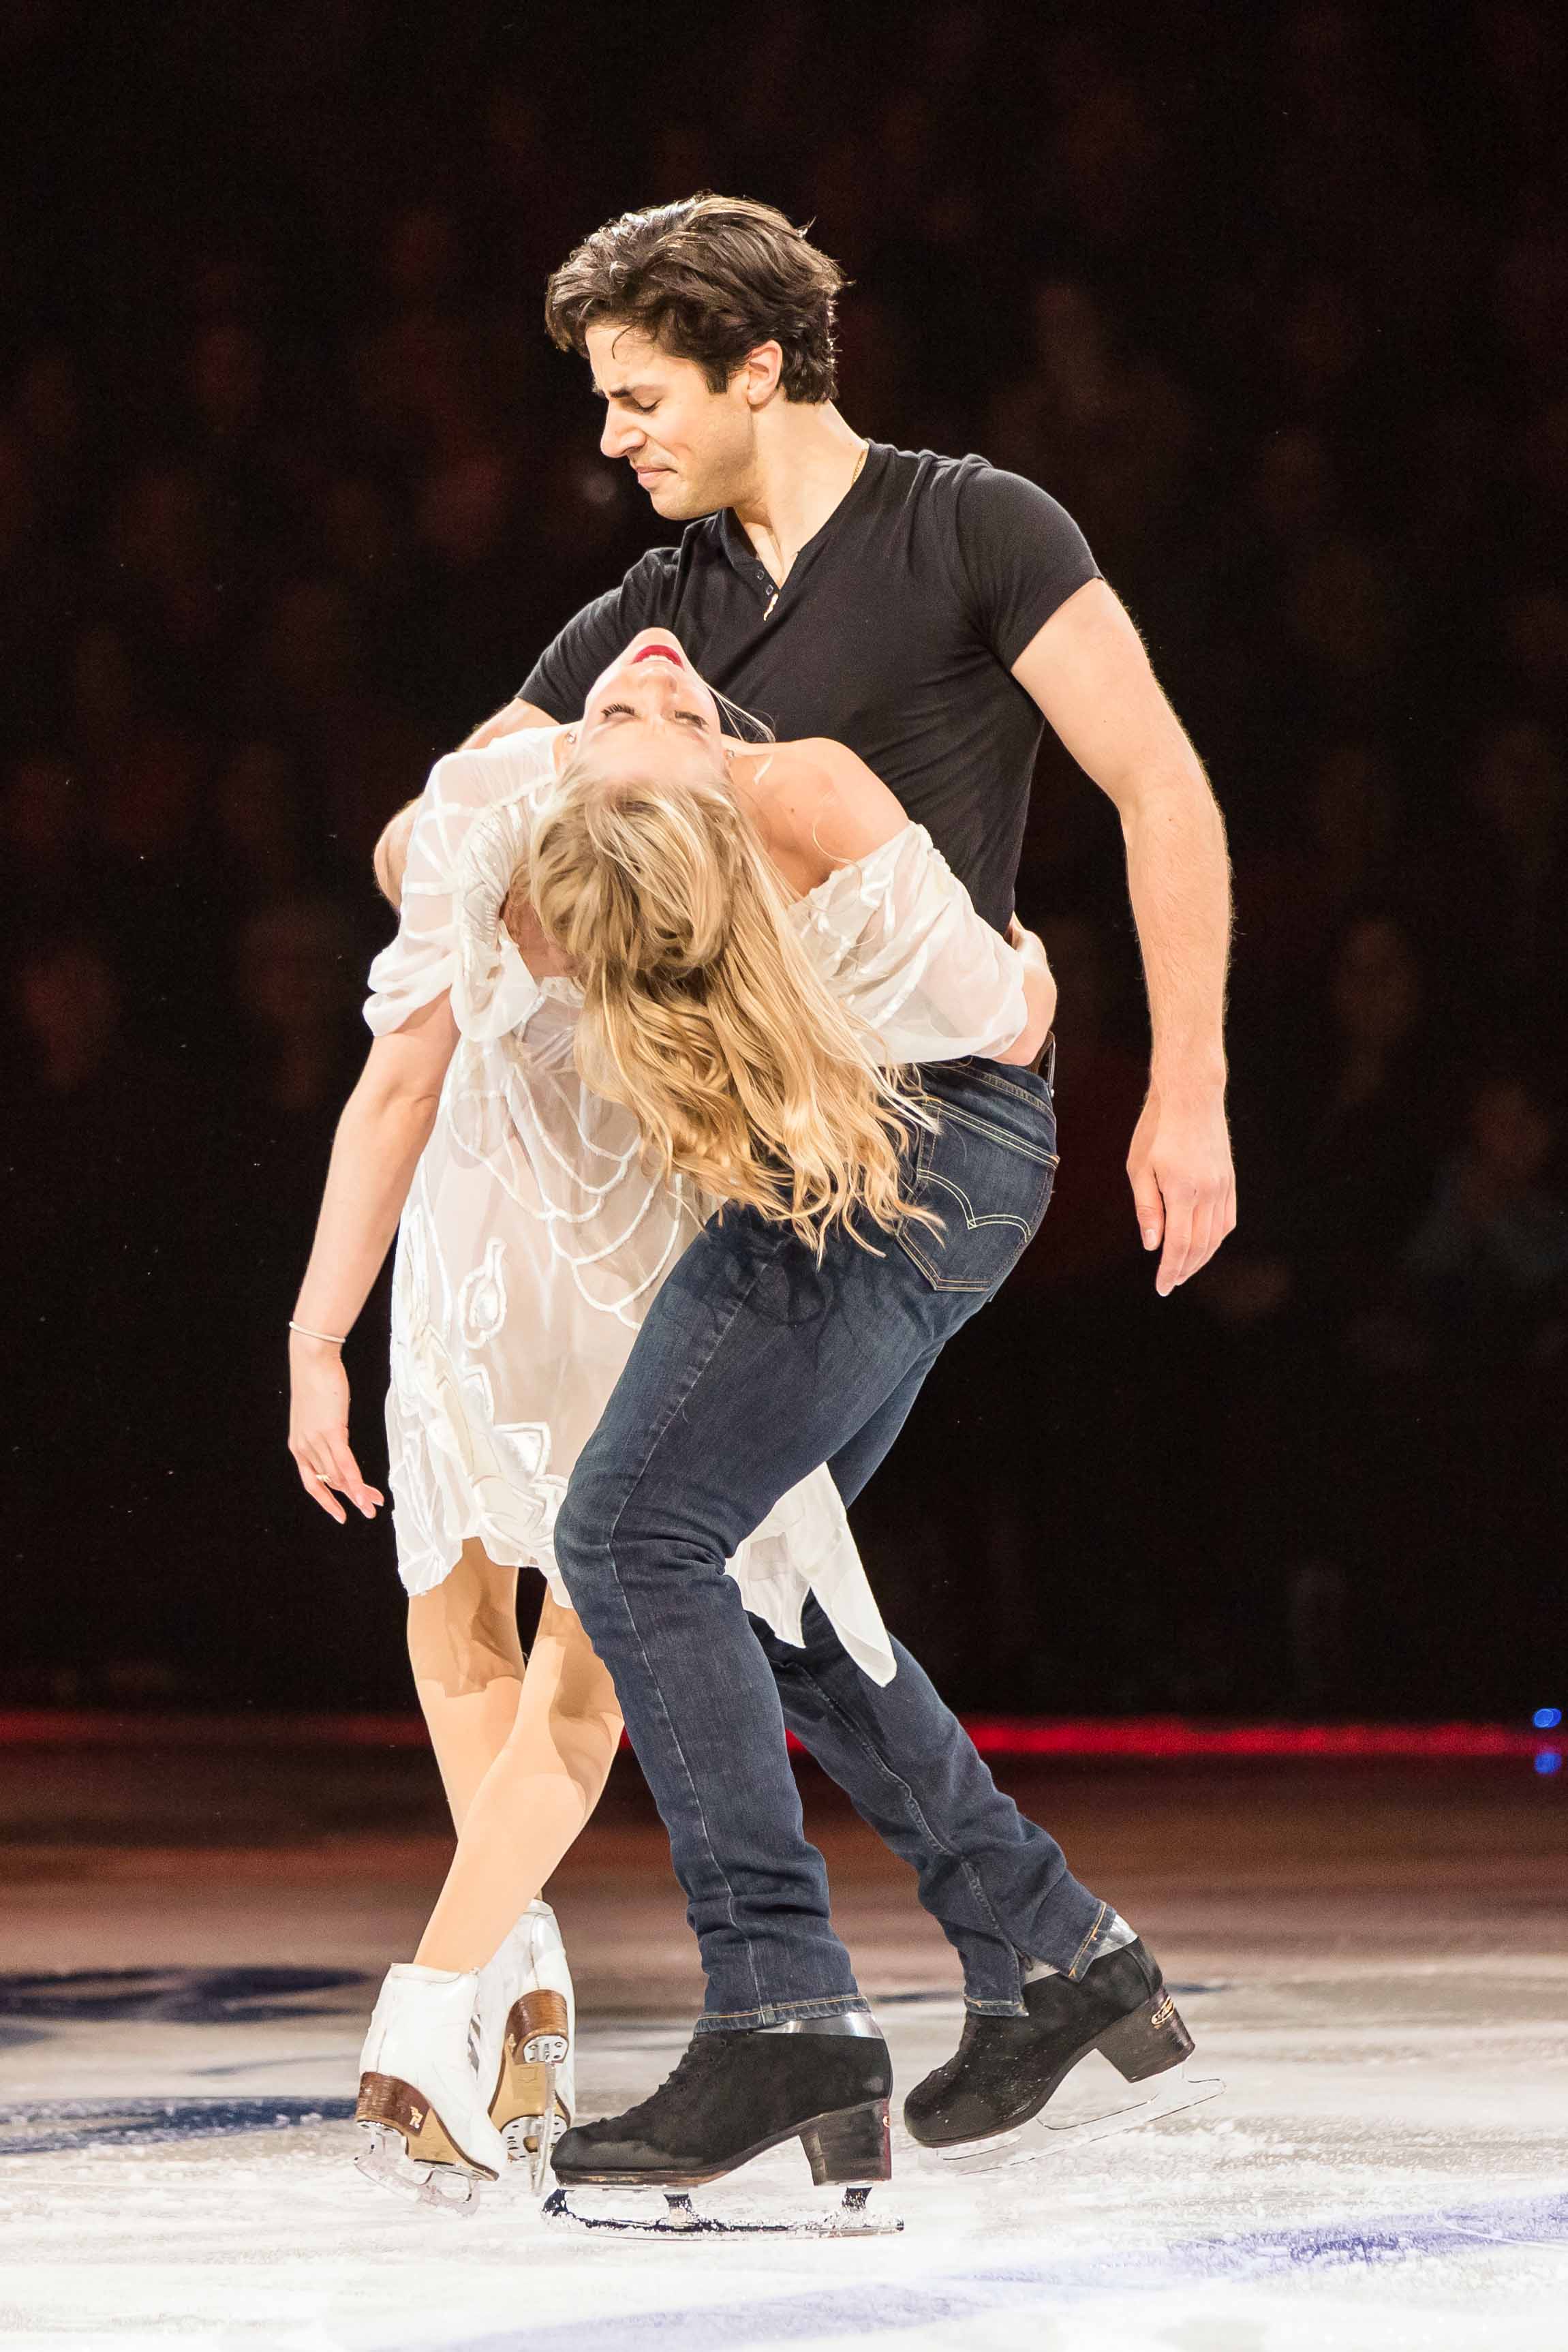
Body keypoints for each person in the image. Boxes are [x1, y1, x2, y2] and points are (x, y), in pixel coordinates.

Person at [459, 196, 1231, 2189]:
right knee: (767, 1577)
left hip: (932, 1128)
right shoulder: (657, 610)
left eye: (640, 395)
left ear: (758, 363)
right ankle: (1047, 1945)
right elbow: (462, 796)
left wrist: (1195, 1088)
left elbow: (1158, 789)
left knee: (628, 1529)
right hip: (788, 1147)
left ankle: (782, 2012)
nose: (613, 435)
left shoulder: (975, 526)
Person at [286, 626, 1069, 2205]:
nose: (650, 672)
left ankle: (429, 2018)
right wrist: (322, 1331)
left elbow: (997, 1022)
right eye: (625, 698)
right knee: (455, 1637)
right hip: (477, 1267)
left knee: (583, 1664)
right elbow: (398, 1074)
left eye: (671, 708)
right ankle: (516, 2013)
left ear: (713, 782)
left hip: (636, 1286)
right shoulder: (497, 805)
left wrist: (1021, 983)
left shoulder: (703, 843)